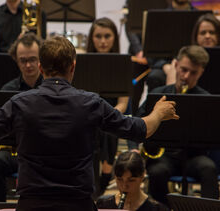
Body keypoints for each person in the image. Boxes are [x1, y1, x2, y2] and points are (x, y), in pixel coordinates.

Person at [0, 36, 178, 210]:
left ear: (40, 68)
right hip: (78, 203)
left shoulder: (19, 103)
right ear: (73, 67)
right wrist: (158, 112)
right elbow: (140, 129)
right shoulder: (91, 103)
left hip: (32, 204)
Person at [137, 45, 219, 205]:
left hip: (193, 157)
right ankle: (166, 208)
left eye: (193, 72)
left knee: (208, 168)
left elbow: (213, 137)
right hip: (165, 157)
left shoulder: (206, 99)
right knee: (156, 172)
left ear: (201, 72)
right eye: (183, 69)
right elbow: (138, 120)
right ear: (176, 65)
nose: (186, 76)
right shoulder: (159, 94)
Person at [0, 32, 43, 202]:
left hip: (44, 153)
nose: (28, 65)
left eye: (33, 59)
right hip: (15, 152)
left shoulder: (52, 88)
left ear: (41, 59)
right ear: (16, 60)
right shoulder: (7, 89)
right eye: (23, 60)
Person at [86, 17, 133, 197]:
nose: (103, 41)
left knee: (106, 127)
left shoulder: (122, 64)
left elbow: (123, 103)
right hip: (87, 114)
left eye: (107, 36)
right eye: (98, 36)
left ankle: (104, 175)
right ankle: (101, 176)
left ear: (114, 38)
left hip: (110, 115)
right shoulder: (82, 61)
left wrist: (107, 114)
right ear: (92, 38)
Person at [163, 13, 220, 85]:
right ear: (196, 36)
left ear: (219, 36)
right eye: (203, 33)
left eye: (212, 32)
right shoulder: (185, 57)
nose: (207, 36)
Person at [97, 151, 169, 211]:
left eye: (131, 180)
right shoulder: (103, 204)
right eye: (120, 179)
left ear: (142, 176)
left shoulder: (157, 209)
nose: (124, 186)